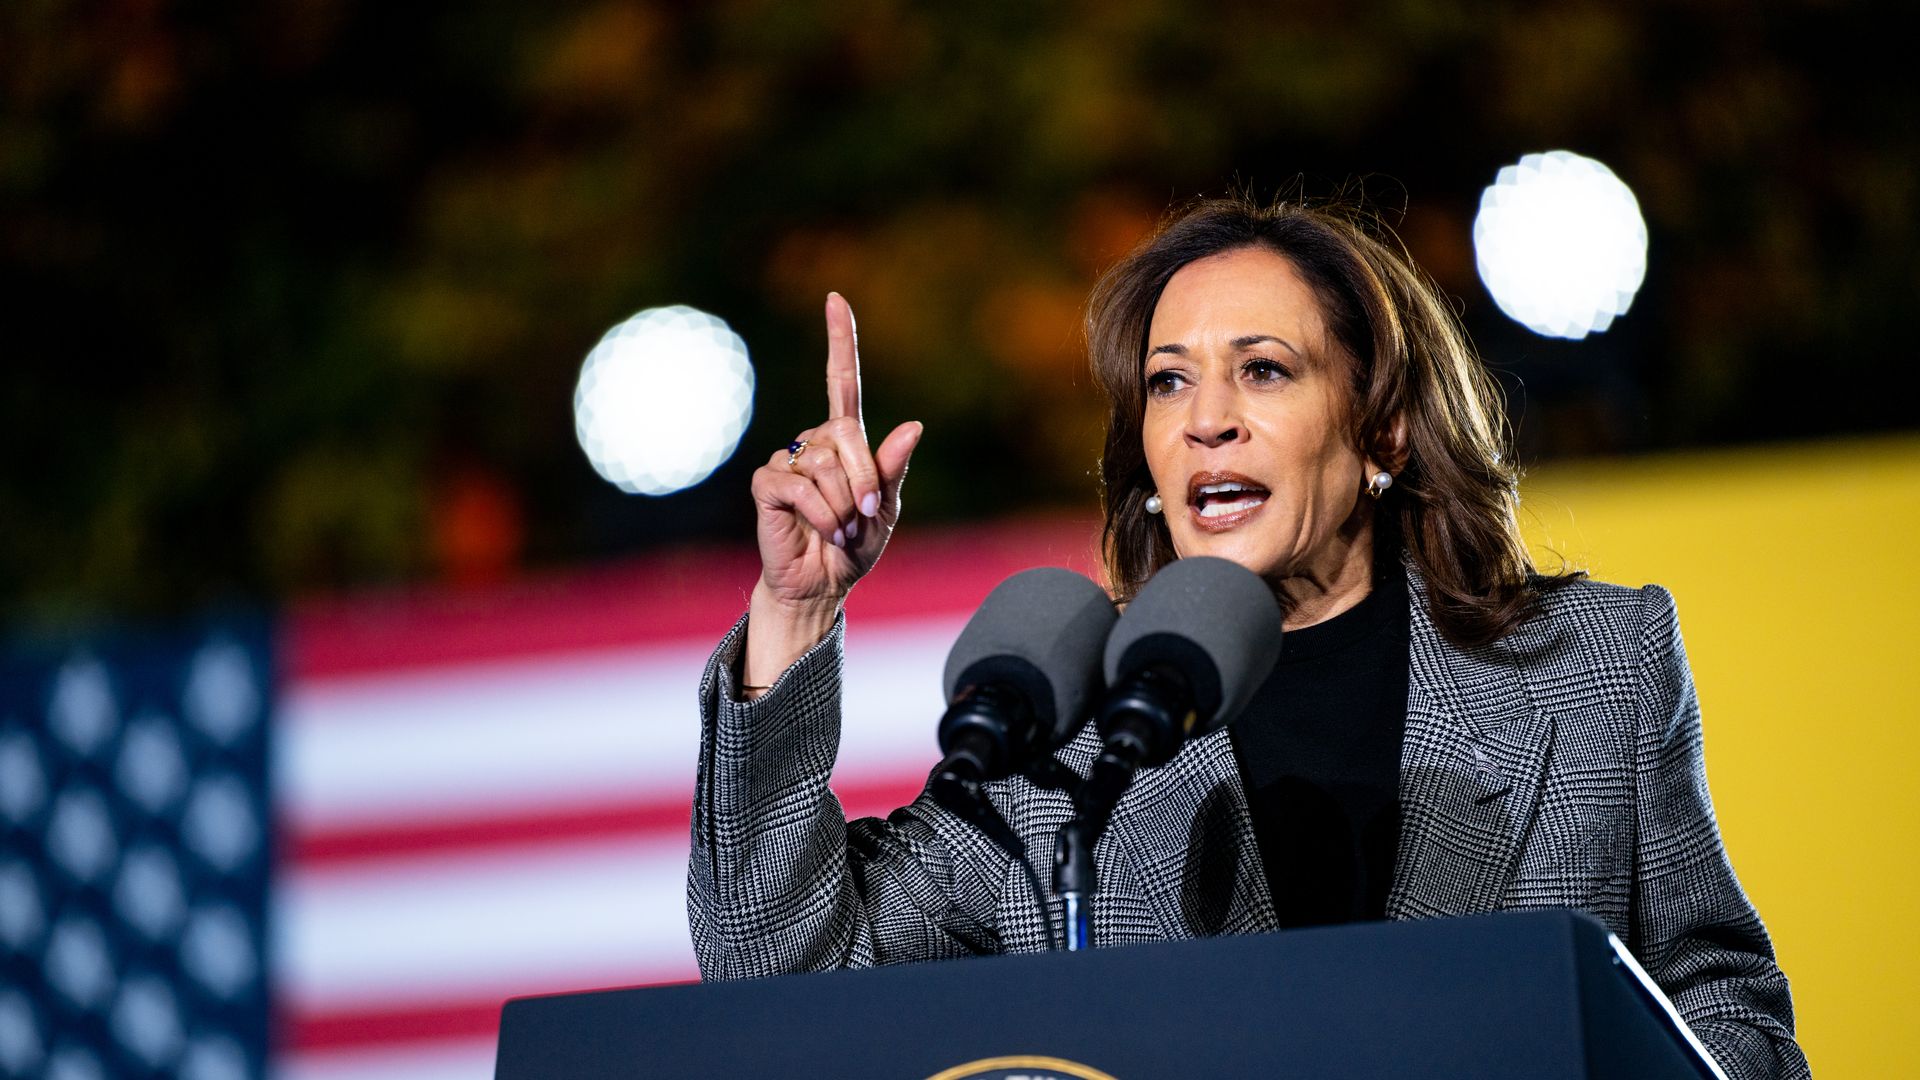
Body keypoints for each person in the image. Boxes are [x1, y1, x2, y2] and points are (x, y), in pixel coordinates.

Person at [686, 196, 1808, 1079]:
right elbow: (779, 967)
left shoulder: (1595, 668)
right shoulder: (1068, 741)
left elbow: (1723, 1009)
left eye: (1262, 370)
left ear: (1382, 428)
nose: (1204, 416)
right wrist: (798, 607)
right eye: (1168, 382)